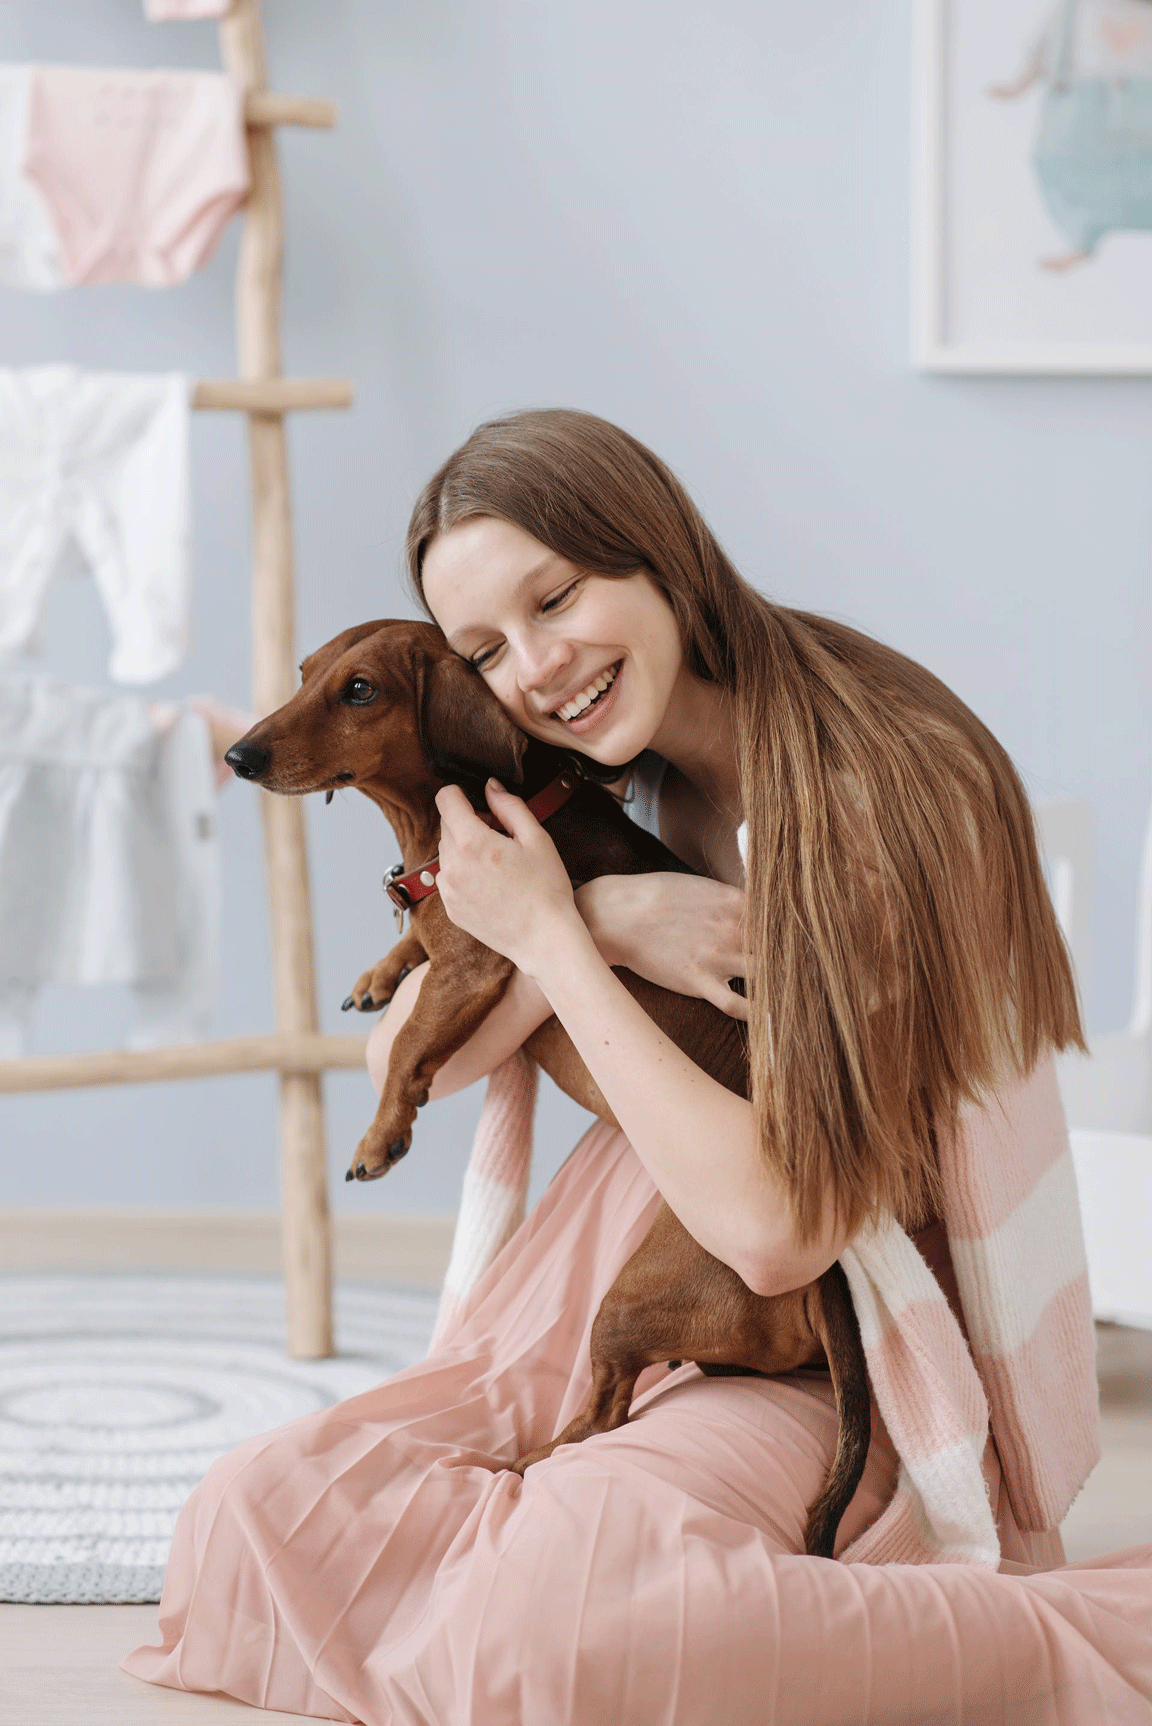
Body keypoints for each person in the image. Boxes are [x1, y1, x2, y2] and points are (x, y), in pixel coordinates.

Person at [124, 410, 1152, 1724]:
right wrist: (605, 920)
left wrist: (551, 930)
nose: (540, 667)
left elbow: (779, 1230)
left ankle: (1056, 1635)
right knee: (246, 1519)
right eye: (489, 649)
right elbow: (408, 1062)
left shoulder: (880, 788)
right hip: (608, 1276)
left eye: (557, 597)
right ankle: (556, 1564)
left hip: (827, 1333)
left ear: (655, 547)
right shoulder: (592, 773)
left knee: (563, 1621)